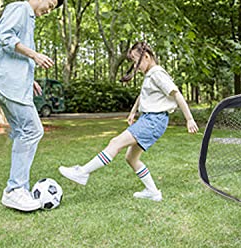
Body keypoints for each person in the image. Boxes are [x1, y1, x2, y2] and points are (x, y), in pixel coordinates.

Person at [59, 41, 199, 201]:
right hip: (149, 119)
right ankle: (153, 192)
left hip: (153, 120)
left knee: (115, 143)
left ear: (146, 56)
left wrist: (189, 119)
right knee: (131, 158)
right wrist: (133, 112)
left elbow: (177, 94)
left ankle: (82, 172)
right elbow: (143, 95)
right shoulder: (150, 75)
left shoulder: (157, 73)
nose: (135, 66)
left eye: (136, 61)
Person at [0, 0, 64, 212]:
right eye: (49, 6)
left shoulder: (28, 19)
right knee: (33, 130)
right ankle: (15, 189)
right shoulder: (20, 8)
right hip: (9, 85)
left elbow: (12, 52)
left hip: (15, 84)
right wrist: (35, 55)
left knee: (23, 132)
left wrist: (29, 79)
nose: (48, 11)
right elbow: (4, 36)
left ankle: (17, 189)